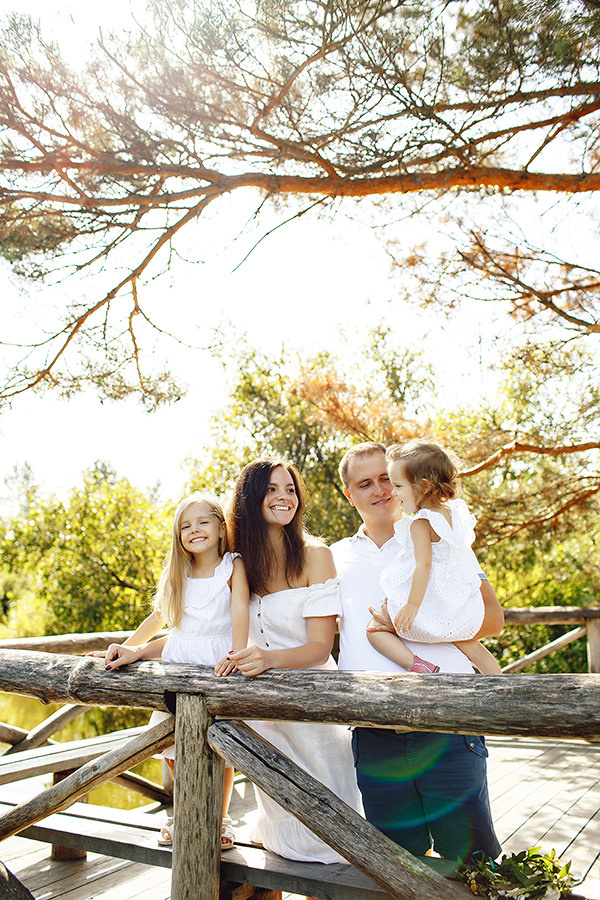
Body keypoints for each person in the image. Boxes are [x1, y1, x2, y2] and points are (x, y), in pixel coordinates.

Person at [332, 441, 503, 863]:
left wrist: (425, 627)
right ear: (349, 494)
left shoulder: (444, 539)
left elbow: (494, 620)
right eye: (366, 483)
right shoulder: (333, 558)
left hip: (448, 724)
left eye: (387, 479)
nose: (382, 490)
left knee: (470, 862)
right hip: (375, 734)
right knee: (395, 865)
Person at [226, 458, 363, 865]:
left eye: (290, 489)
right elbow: (192, 619)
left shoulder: (314, 554)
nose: (284, 497)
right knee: (285, 836)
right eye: (271, 489)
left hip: (314, 706)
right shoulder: (237, 560)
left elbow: (321, 648)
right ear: (251, 499)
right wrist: (138, 648)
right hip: (266, 713)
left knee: (335, 837)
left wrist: (267, 658)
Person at [102, 492, 249, 850]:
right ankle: (181, 813)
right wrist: (130, 647)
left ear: (219, 527)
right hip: (177, 662)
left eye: (202, 522)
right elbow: (160, 617)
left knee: (220, 745)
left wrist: (237, 652)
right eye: (185, 526)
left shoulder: (233, 565)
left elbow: (242, 607)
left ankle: (221, 819)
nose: (194, 530)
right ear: (178, 535)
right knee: (174, 744)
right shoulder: (179, 571)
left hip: (217, 663)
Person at [367, 440, 502, 676]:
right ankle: (501, 685)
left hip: (430, 602)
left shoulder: (421, 523)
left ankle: (419, 665)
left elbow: (424, 565)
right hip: (456, 596)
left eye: (398, 485)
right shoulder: (453, 512)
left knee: (375, 630)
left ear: (424, 486)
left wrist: (411, 605)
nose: (393, 492)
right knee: (469, 643)